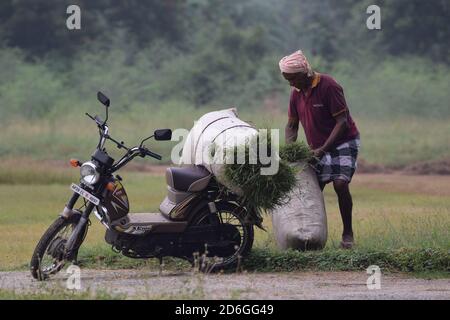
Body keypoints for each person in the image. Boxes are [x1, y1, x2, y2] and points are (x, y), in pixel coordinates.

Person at [279, 50, 360, 249]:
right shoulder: (296, 94)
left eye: (292, 79)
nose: (290, 83)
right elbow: (291, 126)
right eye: (287, 79)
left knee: (340, 184)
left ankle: (347, 234)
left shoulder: (329, 86)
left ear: (304, 73)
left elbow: (341, 123)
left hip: (343, 141)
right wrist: (291, 152)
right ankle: (308, 239)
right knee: (312, 191)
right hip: (316, 148)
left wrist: (323, 149)